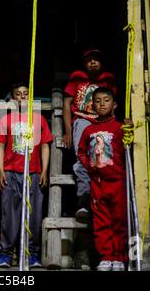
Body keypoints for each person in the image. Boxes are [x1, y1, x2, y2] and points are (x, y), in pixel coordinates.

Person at [0, 81, 53, 268]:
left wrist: (44, 170)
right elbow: (0, 145)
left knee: (33, 215)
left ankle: (32, 254)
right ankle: (6, 254)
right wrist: (1, 170)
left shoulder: (38, 120)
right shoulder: (6, 120)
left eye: (25, 94)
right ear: (12, 99)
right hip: (11, 173)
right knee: (9, 214)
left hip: (33, 173)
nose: (22, 97)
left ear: (31, 97)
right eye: (18, 94)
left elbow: (45, 145)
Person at [77, 87, 132, 271]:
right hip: (97, 183)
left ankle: (118, 257)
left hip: (117, 181)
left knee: (119, 220)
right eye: (98, 101)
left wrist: (129, 131)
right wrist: (88, 165)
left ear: (114, 105)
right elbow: (82, 151)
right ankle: (106, 256)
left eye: (106, 100)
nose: (102, 104)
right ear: (92, 105)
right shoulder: (89, 130)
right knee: (101, 221)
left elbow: (128, 151)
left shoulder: (118, 127)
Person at [62, 48, 117, 223]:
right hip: (83, 120)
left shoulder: (108, 79)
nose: (92, 62)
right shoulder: (77, 77)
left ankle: (103, 202)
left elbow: (113, 102)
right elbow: (67, 102)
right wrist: (68, 130)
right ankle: (84, 200)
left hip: (102, 123)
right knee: (83, 159)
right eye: (89, 60)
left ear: (102, 63)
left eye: (96, 59)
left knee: (103, 161)